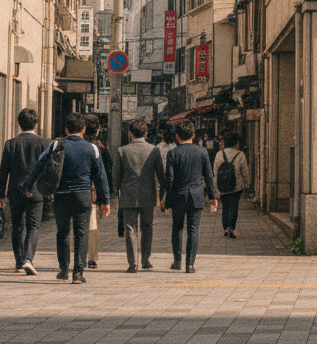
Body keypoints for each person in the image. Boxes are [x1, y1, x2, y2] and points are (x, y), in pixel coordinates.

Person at [23, 113, 111, 284]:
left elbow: (40, 164)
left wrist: (29, 185)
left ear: (66, 129)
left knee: (62, 232)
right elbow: (101, 177)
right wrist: (104, 201)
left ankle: (63, 269)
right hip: (83, 195)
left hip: (61, 195)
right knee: (81, 232)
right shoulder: (92, 148)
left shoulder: (57, 144)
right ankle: (78, 272)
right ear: (84, 129)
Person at [0, 108, 49, 275]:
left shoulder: (11, 144)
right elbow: (49, 170)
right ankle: (28, 259)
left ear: (19, 124)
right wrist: (50, 192)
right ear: (37, 124)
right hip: (37, 191)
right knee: (33, 226)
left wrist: (0, 195)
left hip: (15, 190)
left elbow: (4, 171)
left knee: (17, 226)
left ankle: (19, 262)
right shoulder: (45, 143)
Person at [163, 122, 218, 273]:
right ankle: (190, 264)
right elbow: (208, 176)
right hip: (196, 195)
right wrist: (212, 197)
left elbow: (170, 180)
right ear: (193, 136)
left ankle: (177, 261)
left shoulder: (172, 154)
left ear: (177, 136)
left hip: (178, 195)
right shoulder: (202, 152)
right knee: (193, 230)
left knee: (177, 228)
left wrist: (167, 201)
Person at [112, 118, 163, 273]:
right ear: (146, 133)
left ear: (130, 134)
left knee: (130, 228)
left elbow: (116, 176)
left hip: (128, 194)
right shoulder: (154, 150)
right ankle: (146, 260)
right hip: (148, 194)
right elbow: (160, 173)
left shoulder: (122, 151)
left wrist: (117, 190)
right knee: (147, 226)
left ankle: (133, 263)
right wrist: (163, 191)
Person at [85, 115, 114, 269]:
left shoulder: (78, 145)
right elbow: (107, 171)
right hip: (93, 192)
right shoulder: (100, 147)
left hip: (76, 189)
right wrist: (106, 198)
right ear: (97, 130)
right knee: (92, 226)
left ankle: (78, 254)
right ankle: (91, 257)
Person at [213, 132, 250, 239]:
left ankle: (226, 228)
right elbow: (245, 172)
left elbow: (215, 172)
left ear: (224, 142)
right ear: (236, 142)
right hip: (237, 186)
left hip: (222, 185)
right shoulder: (240, 155)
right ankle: (232, 228)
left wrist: (215, 188)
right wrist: (247, 184)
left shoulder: (219, 154)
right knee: (234, 206)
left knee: (225, 207)